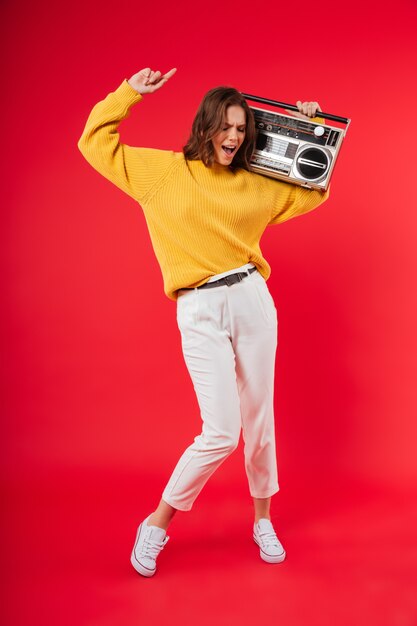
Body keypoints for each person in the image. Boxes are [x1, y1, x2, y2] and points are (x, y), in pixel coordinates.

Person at [78, 66, 329, 577]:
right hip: (197, 306)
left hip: (251, 298)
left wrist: (308, 129)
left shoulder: (255, 183)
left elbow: (313, 188)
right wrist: (128, 94)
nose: (234, 138)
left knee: (260, 420)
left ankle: (262, 520)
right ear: (205, 125)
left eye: (242, 130)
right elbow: (94, 142)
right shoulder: (163, 173)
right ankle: (156, 524)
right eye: (227, 127)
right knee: (221, 431)